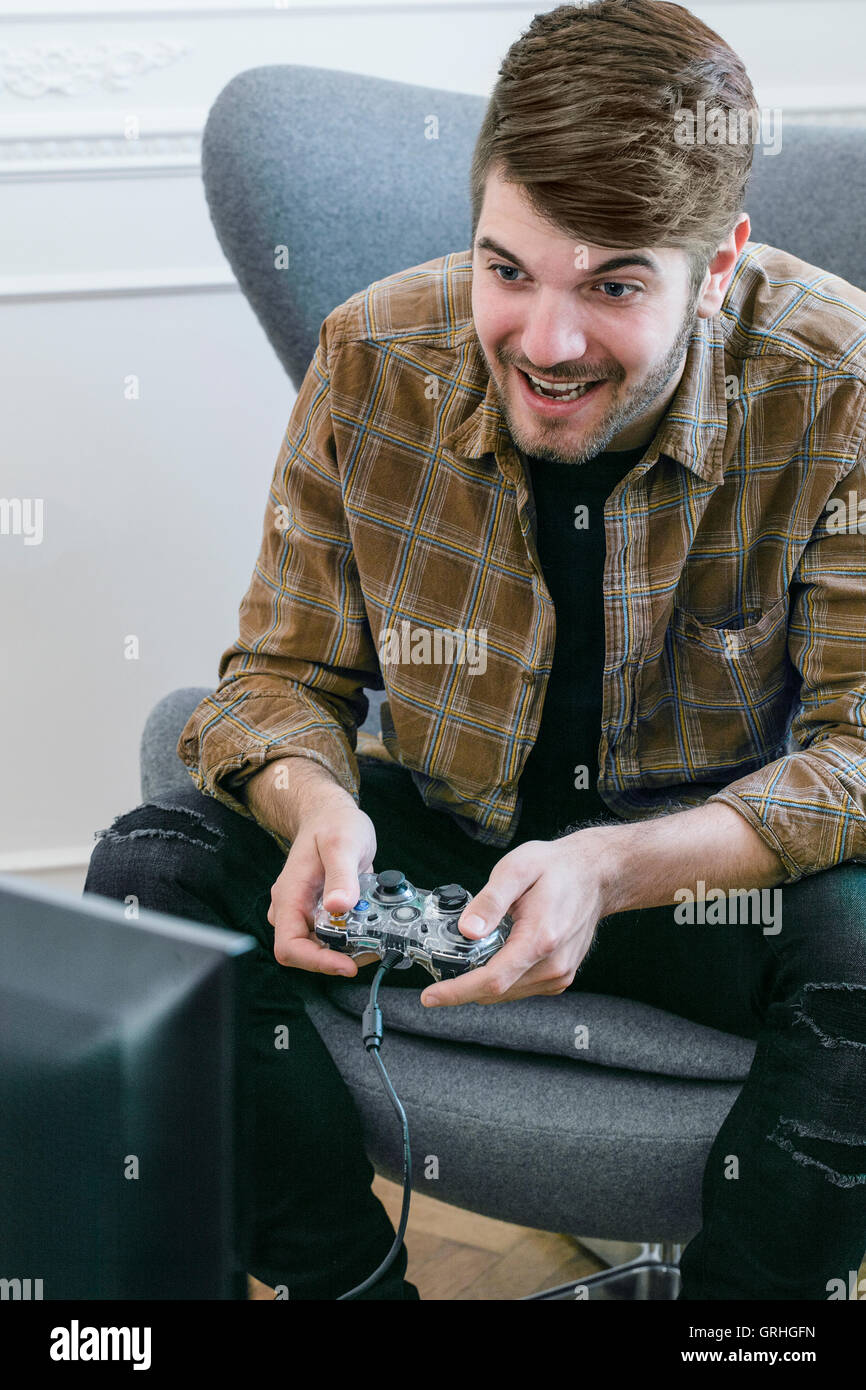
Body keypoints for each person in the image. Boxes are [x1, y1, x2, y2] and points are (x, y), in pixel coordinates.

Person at [85, 0, 866, 1300]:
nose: (544, 345)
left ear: (716, 261)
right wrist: (316, 803)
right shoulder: (370, 356)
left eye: (612, 285)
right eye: (506, 270)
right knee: (145, 871)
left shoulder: (835, 389)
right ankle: (346, 1291)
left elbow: (857, 749)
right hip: (440, 843)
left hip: (695, 877)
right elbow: (278, 677)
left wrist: (610, 870)